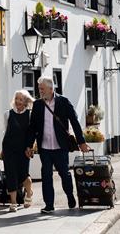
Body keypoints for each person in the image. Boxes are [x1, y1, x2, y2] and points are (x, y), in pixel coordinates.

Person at [25, 76, 89, 214]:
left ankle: (70, 196)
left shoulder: (63, 101)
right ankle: (49, 205)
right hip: (44, 147)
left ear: (50, 88)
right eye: (39, 89)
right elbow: (32, 127)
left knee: (64, 174)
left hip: (60, 147)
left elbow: (74, 122)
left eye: (42, 89)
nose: (40, 91)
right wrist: (29, 146)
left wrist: (81, 142)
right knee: (46, 175)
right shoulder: (37, 105)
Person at [2, 90, 35, 212]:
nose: (17, 101)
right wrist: (3, 150)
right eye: (16, 99)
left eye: (20, 99)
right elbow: (5, 132)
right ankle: (14, 202)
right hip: (9, 148)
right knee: (11, 175)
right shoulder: (7, 114)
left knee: (24, 175)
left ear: (26, 102)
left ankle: (29, 192)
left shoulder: (30, 115)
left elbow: (32, 134)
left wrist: (30, 147)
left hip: (23, 149)